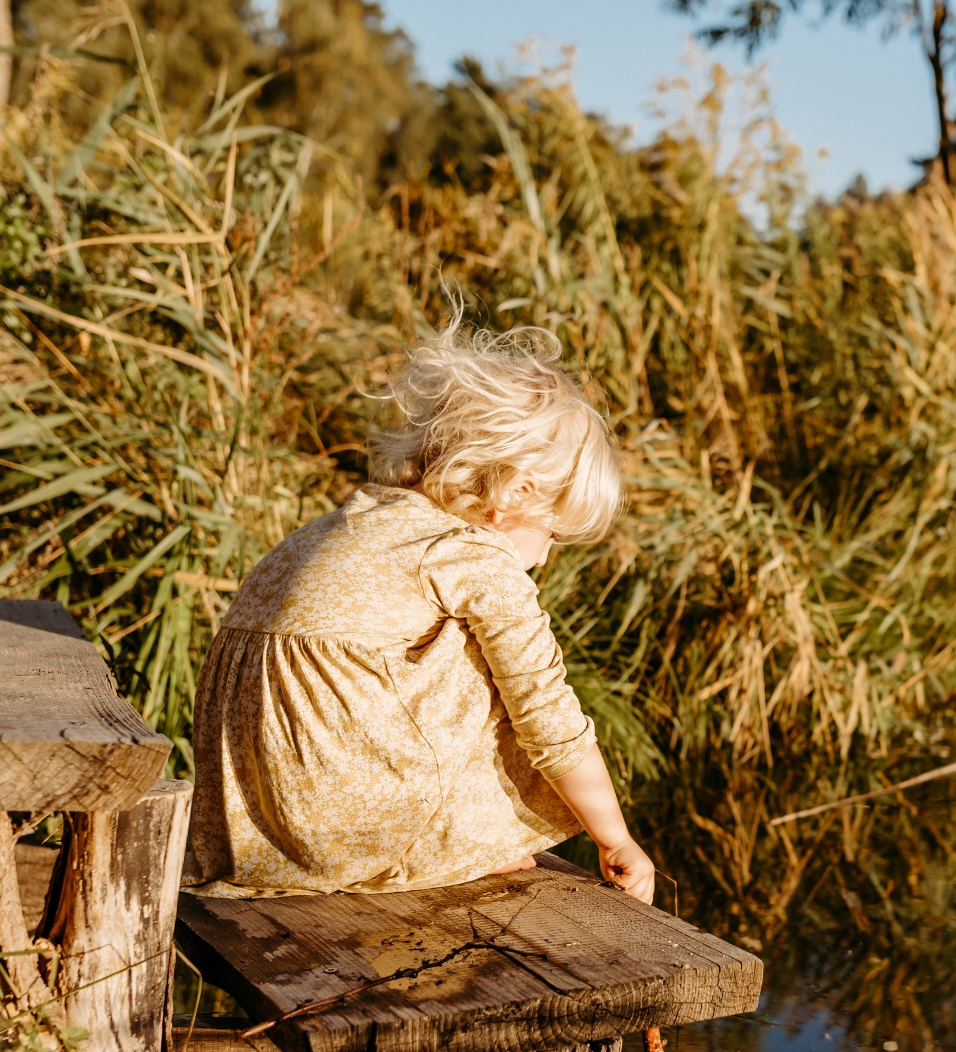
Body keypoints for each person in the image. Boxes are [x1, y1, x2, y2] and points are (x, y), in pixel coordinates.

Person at [183, 324, 656, 904]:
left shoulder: (351, 524)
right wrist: (616, 840)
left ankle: (449, 843)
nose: (544, 556)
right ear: (518, 494)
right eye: (552, 534)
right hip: (349, 831)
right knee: (500, 671)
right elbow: (547, 714)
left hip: (252, 827)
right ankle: (454, 847)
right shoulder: (468, 553)